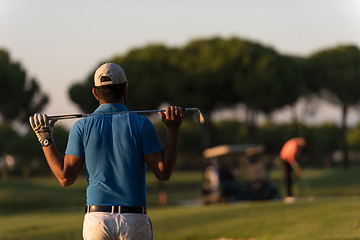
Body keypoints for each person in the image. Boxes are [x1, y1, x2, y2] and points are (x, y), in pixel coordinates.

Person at [29, 62, 183, 240]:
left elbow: (65, 178)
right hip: (134, 220)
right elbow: (164, 172)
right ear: (125, 90)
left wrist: (45, 138)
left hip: (97, 221)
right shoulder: (142, 124)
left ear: (95, 93)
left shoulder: (81, 127)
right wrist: (173, 129)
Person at [279, 137, 306, 202]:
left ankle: (290, 195)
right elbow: (291, 157)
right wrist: (296, 167)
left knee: (290, 178)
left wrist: (296, 167)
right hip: (285, 160)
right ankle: (288, 196)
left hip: (288, 160)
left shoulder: (296, 143)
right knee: (287, 177)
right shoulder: (295, 145)